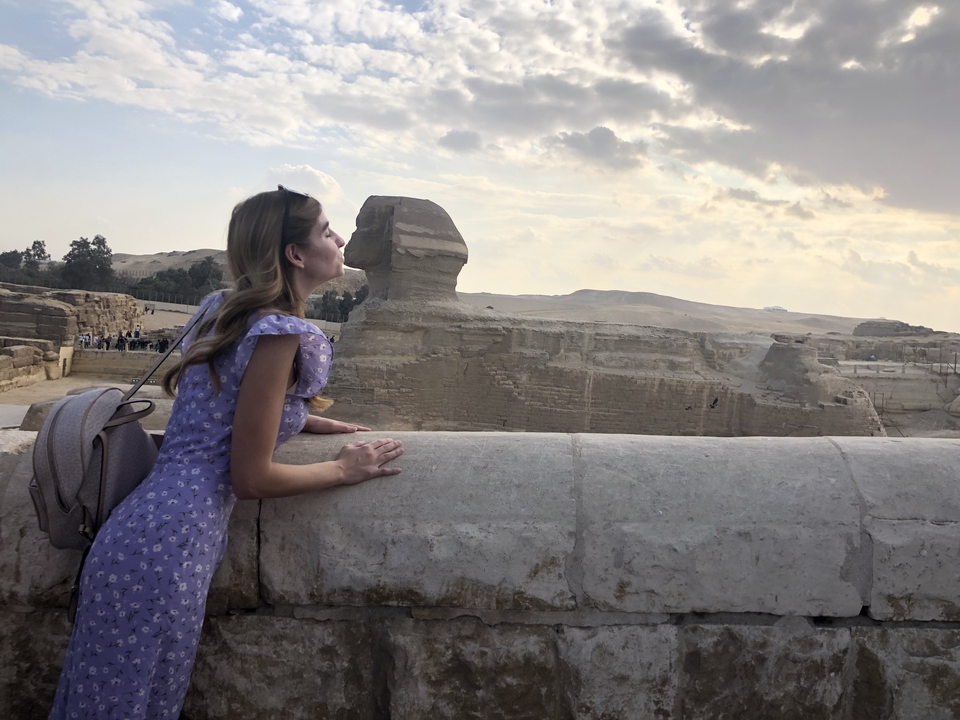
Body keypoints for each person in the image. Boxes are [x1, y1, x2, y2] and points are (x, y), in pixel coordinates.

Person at [49, 187, 404, 718]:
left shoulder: (223, 308)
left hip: (143, 532)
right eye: (327, 230)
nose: (339, 239)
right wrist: (343, 468)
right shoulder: (280, 332)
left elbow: (222, 401)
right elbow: (250, 478)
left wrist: (298, 417)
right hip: (171, 547)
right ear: (295, 254)